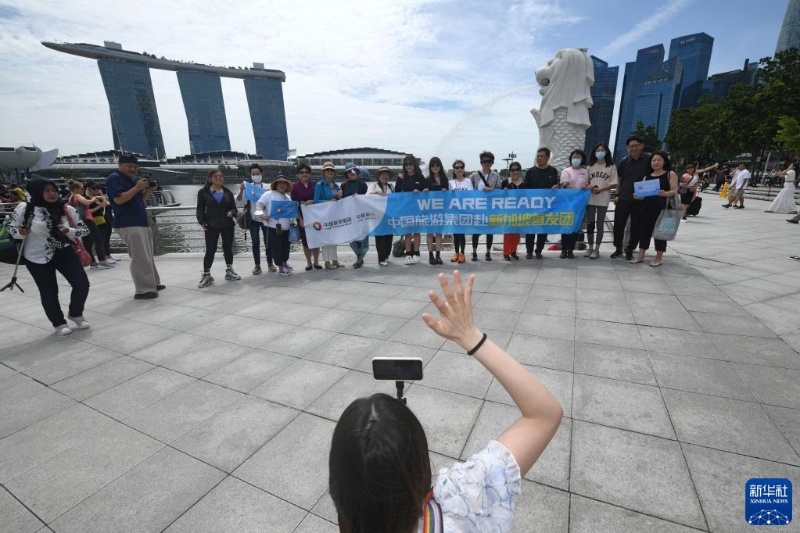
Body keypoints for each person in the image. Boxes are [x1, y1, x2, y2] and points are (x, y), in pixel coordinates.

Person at [328, 271, 563, 532]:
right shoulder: (465, 501)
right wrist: (471, 337)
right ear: (419, 470)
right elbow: (544, 414)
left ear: (337, 489)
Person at [8, 179, 91, 335]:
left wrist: (68, 231)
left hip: (65, 251)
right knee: (49, 291)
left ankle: (75, 312)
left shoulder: (66, 208)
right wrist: (21, 232)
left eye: (54, 190)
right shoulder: (25, 208)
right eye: (46, 190)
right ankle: (58, 323)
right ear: (37, 192)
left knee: (82, 284)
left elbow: (84, 231)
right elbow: (11, 229)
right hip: (36, 256)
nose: (52, 194)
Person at [105, 153, 163, 300]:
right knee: (139, 257)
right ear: (120, 165)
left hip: (140, 221)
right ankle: (143, 290)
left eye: (135, 167)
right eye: (129, 166)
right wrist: (137, 187)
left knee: (147, 255)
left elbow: (141, 198)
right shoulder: (114, 178)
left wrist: (148, 189)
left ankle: (153, 283)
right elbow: (119, 200)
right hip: (128, 223)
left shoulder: (131, 180)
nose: (132, 169)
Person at [630, 150, 678, 267]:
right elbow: (642, 196)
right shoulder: (646, 177)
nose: (656, 162)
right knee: (644, 232)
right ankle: (641, 255)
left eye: (659, 160)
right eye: (654, 160)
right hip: (646, 208)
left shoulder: (670, 174)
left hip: (663, 209)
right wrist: (638, 196)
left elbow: (674, 191)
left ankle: (658, 257)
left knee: (661, 234)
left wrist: (665, 193)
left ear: (664, 161)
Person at [196, 169, 240, 288]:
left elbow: (234, 209)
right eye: (216, 176)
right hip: (211, 225)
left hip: (227, 225)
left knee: (228, 248)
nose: (219, 178)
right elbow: (200, 209)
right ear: (210, 178)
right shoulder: (203, 192)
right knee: (210, 249)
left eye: (221, 176)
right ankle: (207, 275)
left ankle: (229, 271)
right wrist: (202, 222)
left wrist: (232, 212)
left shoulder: (228, 192)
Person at [612, 136, 652, 260]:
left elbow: (652, 177)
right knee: (619, 225)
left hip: (640, 200)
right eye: (631, 146)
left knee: (636, 226)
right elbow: (619, 179)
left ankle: (630, 249)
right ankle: (618, 248)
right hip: (623, 198)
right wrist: (617, 195)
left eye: (636, 145)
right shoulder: (624, 161)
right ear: (627, 148)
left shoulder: (648, 159)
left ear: (641, 145)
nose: (633, 148)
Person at [236, 163, 276, 274]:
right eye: (253, 174)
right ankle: (257, 265)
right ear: (250, 175)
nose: (255, 175)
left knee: (268, 242)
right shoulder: (248, 187)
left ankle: (270, 263)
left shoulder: (268, 187)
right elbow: (238, 200)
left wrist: (271, 192)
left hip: (266, 218)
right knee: (255, 242)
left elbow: (274, 200)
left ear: (261, 174)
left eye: (257, 173)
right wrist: (241, 190)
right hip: (253, 219)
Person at [67, 180, 115, 269]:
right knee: (98, 239)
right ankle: (102, 261)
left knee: (87, 242)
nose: (83, 190)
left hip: (81, 221)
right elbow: (86, 203)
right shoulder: (77, 195)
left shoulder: (71, 197)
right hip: (88, 220)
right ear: (76, 189)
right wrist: (94, 198)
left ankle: (92, 262)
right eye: (82, 188)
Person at [523, 147, 560, 259]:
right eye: (538, 156)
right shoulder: (530, 171)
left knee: (543, 230)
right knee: (530, 230)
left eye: (542, 156)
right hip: (532, 207)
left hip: (546, 207)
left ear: (548, 157)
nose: (539, 158)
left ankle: (538, 251)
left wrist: (556, 186)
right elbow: (525, 189)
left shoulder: (553, 171)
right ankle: (529, 251)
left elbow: (556, 185)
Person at [585, 143, 618, 259]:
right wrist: (590, 187)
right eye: (597, 150)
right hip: (591, 197)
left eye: (602, 150)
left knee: (600, 224)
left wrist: (600, 189)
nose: (600, 152)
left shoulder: (611, 166)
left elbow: (614, 183)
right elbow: (586, 181)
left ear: (607, 152)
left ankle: (597, 249)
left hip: (603, 198)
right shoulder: (590, 167)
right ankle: (590, 247)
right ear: (594, 152)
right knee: (590, 224)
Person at [257, 176, 294, 275]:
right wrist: (262, 216)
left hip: (286, 227)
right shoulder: (268, 194)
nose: (282, 185)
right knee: (276, 247)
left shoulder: (288, 197)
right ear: (276, 185)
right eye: (280, 183)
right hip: (273, 227)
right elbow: (259, 205)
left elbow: (290, 211)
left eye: (284, 183)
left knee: (286, 247)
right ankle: (281, 267)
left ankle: (285, 262)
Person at [469, 151, 501, 261]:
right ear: (481, 162)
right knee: (476, 231)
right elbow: (469, 191)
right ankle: (474, 252)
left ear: (492, 163)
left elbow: (499, 191)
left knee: (489, 231)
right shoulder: (474, 175)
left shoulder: (496, 175)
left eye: (489, 161)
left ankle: (488, 253)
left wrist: (491, 190)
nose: (487, 163)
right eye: (485, 161)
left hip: (490, 207)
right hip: (478, 208)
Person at [396, 154, 428, 264]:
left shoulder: (420, 177)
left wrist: (421, 191)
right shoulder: (401, 178)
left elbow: (426, 189)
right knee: (408, 233)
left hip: (418, 209)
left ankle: (416, 253)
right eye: (406, 164)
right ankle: (408, 253)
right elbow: (396, 194)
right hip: (406, 209)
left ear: (414, 165)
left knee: (417, 232)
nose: (409, 166)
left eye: (410, 164)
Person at [558, 149, 590, 259]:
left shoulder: (585, 172)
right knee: (565, 227)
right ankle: (563, 250)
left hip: (579, 204)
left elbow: (586, 185)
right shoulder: (566, 171)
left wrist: (585, 188)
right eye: (574, 157)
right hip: (567, 203)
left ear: (582, 159)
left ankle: (571, 249)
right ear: (571, 159)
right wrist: (578, 188)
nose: (576, 159)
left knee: (575, 228)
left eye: (578, 157)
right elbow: (564, 185)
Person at [291, 162, 321, 270]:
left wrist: (313, 201)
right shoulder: (294, 187)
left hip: (316, 216)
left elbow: (320, 198)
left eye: (306, 172)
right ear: (298, 174)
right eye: (301, 172)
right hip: (302, 217)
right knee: (305, 241)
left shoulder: (316, 184)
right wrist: (300, 219)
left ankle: (316, 261)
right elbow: (294, 204)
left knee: (316, 239)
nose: (304, 174)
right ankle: (309, 262)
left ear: (310, 173)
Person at [314, 161, 343, 269]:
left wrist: (340, 196)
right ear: (323, 172)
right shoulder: (319, 185)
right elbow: (316, 201)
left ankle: (335, 260)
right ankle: (326, 262)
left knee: (334, 238)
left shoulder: (336, 185)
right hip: (323, 216)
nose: (330, 172)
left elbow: (338, 200)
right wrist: (328, 202)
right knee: (326, 239)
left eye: (332, 170)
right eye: (327, 170)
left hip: (334, 215)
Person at [341, 162, 370, 268]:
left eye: (354, 171)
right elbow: (342, 200)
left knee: (363, 238)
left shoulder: (363, 184)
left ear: (357, 172)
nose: (352, 173)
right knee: (352, 239)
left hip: (361, 215)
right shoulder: (343, 185)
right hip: (349, 216)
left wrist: (359, 196)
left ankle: (359, 259)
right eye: (349, 172)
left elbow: (366, 198)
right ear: (346, 174)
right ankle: (359, 256)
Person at [85, 182, 119, 264]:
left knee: (107, 238)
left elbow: (108, 206)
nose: (96, 190)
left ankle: (108, 255)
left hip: (106, 220)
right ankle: (103, 257)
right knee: (101, 239)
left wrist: (102, 198)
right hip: (98, 221)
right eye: (94, 188)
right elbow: (87, 211)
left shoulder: (100, 198)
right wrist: (99, 206)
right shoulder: (88, 199)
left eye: (98, 188)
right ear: (89, 189)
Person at [368, 166, 395, 266]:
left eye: (387, 174)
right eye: (383, 174)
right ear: (378, 176)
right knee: (380, 237)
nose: (385, 176)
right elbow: (367, 196)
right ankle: (381, 258)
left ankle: (387, 255)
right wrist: (376, 192)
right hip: (377, 216)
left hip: (389, 215)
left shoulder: (391, 187)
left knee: (389, 236)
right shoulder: (373, 186)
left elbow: (396, 199)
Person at [448, 160, 473, 264]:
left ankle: (462, 254)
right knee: (455, 234)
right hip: (454, 211)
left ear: (464, 169)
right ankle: (456, 253)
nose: (459, 169)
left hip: (464, 211)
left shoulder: (468, 181)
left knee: (461, 233)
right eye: (457, 167)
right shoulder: (451, 183)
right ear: (454, 170)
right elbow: (446, 198)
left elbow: (471, 195)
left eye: (461, 167)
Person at [426, 157, 449, 265]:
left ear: (440, 166)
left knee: (439, 233)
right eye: (433, 165)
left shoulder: (444, 179)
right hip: (429, 210)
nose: (435, 167)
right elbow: (422, 196)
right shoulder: (427, 179)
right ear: (430, 167)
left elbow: (448, 197)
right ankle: (431, 256)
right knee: (430, 233)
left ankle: (438, 255)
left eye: (437, 165)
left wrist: (445, 191)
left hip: (441, 210)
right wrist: (424, 191)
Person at [500, 161, 525, 260]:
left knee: (516, 234)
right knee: (508, 234)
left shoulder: (524, 182)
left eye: (517, 170)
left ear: (520, 171)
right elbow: (500, 197)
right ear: (510, 171)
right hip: (508, 212)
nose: (515, 172)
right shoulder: (505, 182)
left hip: (520, 212)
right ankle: (506, 253)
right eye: (513, 170)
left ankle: (513, 251)